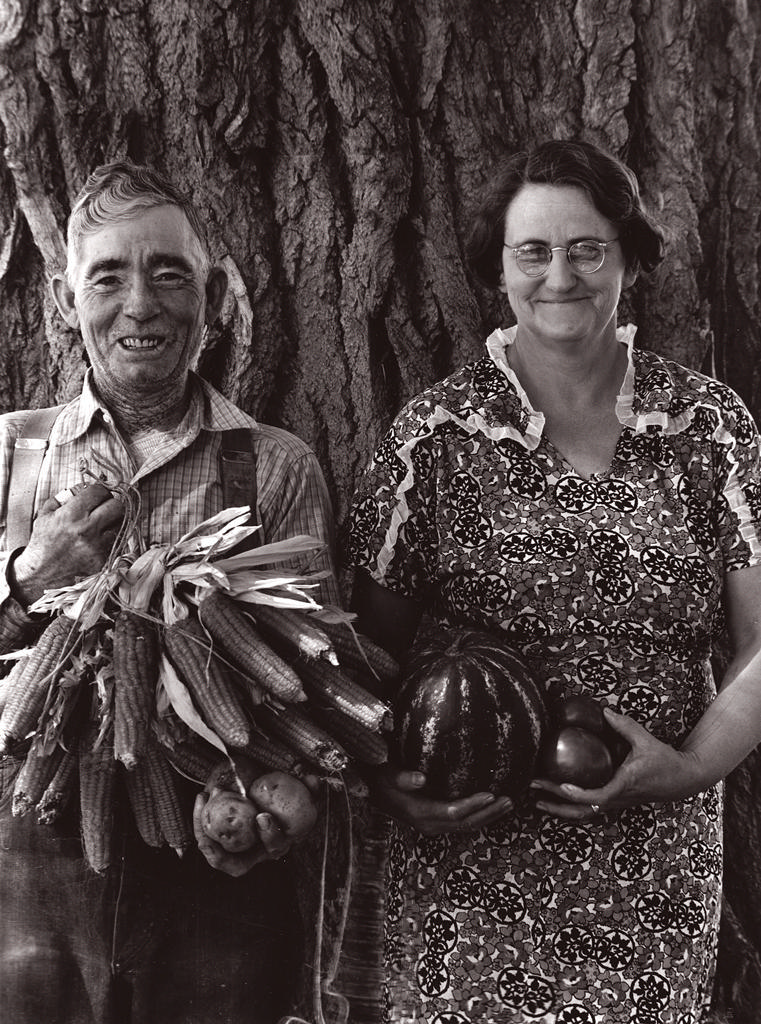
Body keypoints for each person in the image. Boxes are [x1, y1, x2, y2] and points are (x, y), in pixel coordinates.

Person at [347, 138, 761, 1022]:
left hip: (654, 862)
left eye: (586, 248)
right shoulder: (435, 438)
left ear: (629, 260)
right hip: (471, 867)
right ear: (497, 271)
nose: (559, 275)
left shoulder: (707, 426)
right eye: (531, 251)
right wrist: (392, 789)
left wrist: (686, 768)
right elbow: (361, 660)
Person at [0, 161, 339, 1023]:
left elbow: (316, 677)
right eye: (108, 276)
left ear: (212, 295)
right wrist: (32, 574)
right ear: (69, 299)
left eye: (168, 272)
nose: (140, 303)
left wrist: (285, 796)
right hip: (28, 870)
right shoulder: (12, 460)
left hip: (214, 863)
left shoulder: (273, 465)